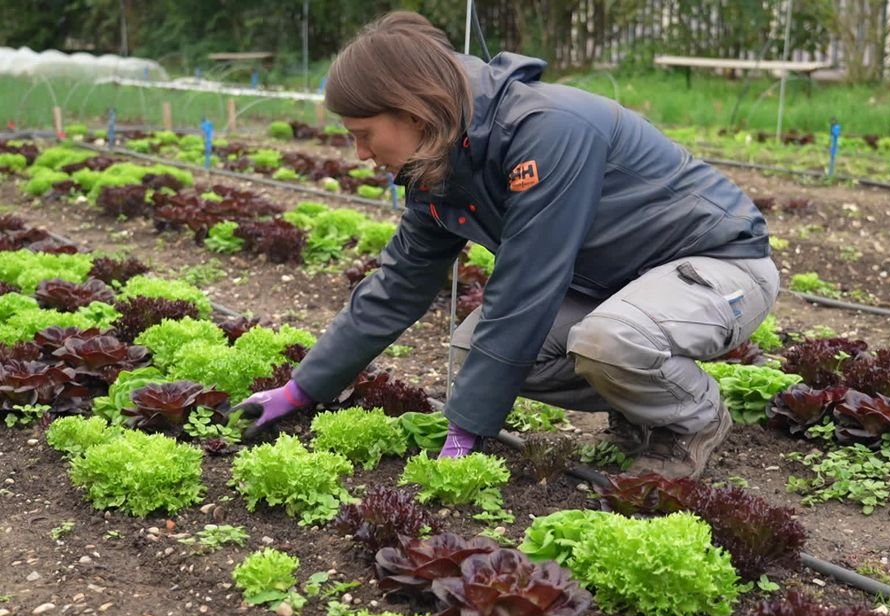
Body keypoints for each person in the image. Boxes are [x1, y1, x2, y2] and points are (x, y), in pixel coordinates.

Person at [234, 11, 778, 479]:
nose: (358, 154)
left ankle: (691, 418)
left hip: (719, 265)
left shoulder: (548, 130)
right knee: (476, 350)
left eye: (363, 134)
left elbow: (527, 283)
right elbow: (397, 287)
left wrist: (466, 428)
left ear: (411, 112)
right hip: (614, 287)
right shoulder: (441, 162)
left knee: (611, 341)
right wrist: (301, 390)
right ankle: (642, 407)